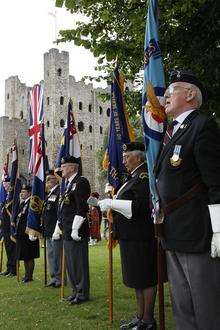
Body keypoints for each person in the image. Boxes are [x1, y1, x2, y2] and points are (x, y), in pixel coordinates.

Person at [154, 70, 220, 330]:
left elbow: (216, 182)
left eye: (173, 90)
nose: (166, 96)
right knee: (181, 303)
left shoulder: (203, 126)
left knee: (205, 305)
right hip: (172, 230)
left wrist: (218, 229)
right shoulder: (173, 131)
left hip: (196, 232)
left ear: (190, 94)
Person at [98, 142, 157, 330]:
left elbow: (139, 207)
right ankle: (140, 317)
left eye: (126, 157)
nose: (123, 161)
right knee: (136, 280)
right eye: (122, 157)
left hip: (141, 236)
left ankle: (148, 320)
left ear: (138, 157)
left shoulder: (143, 176)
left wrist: (111, 203)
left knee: (146, 279)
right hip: (130, 236)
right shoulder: (132, 178)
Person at [53, 156, 91, 304]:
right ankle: (75, 290)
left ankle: (82, 292)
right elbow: (63, 208)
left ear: (72, 168)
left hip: (77, 231)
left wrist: (75, 228)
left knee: (78, 262)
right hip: (66, 229)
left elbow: (82, 207)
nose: (61, 169)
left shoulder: (81, 182)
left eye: (63, 167)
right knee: (70, 263)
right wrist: (59, 226)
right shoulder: (67, 184)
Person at [15, 184, 40, 283]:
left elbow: (33, 218)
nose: (21, 194)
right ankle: (26, 275)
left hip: (29, 233)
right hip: (22, 234)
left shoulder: (31, 202)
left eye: (24, 192)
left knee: (29, 256)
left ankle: (29, 276)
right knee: (25, 256)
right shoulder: (22, 203)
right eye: (21, 192)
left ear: (29, 193)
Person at [41, 170, 61, 288]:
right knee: (51, 254)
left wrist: (57, 229)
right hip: (48, 229)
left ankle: (59, 278)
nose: (47, 182)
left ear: (56, 180)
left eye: (50, 179)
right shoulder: (49, 194)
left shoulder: (58, 193)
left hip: (55, 230)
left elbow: (58, 213)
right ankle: (53, 277)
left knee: (57, 255)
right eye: (47, 179)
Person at [0, 178, 16, 277]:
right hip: (5, 227)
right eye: (4, 184)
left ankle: (13, 269)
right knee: (7, 247)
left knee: (12, 247)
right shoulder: (5, 197)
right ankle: (9, 267)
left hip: (11, 226)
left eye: (7, 184)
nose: (5, 186)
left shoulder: (13, 196)